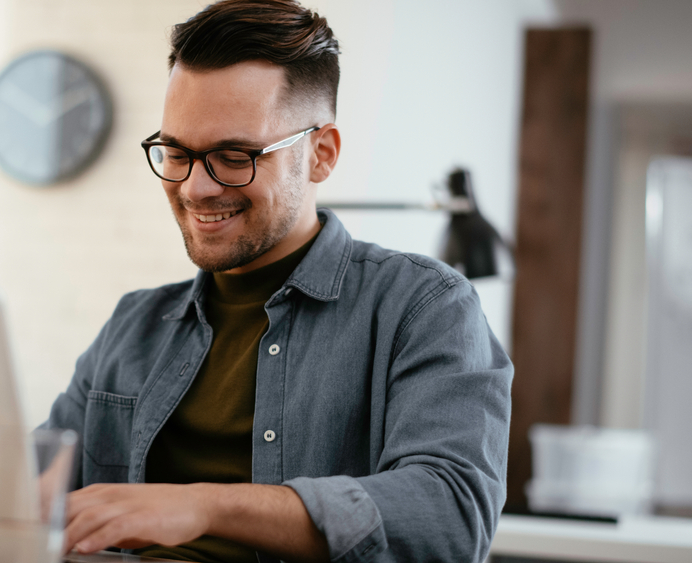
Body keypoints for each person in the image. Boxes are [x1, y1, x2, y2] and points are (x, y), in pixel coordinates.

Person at [43, 1, 513, 561]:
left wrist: (203, 507)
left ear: (321, 154)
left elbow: (450, 515)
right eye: (177, 152)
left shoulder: (423, 307)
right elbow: (28, 487)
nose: (195, 188)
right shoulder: (133, 325)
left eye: (233, 156)